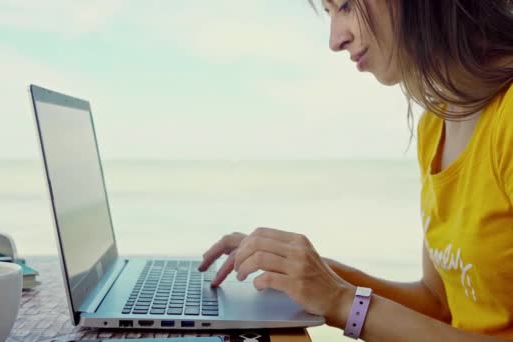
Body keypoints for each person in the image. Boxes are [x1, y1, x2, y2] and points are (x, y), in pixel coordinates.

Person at [198, 0, 513, 340]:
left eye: (345, 6)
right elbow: (438, 303)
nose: (335, 40)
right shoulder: (437, 124)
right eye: (330, 12)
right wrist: (301, 272)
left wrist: (343, 301)